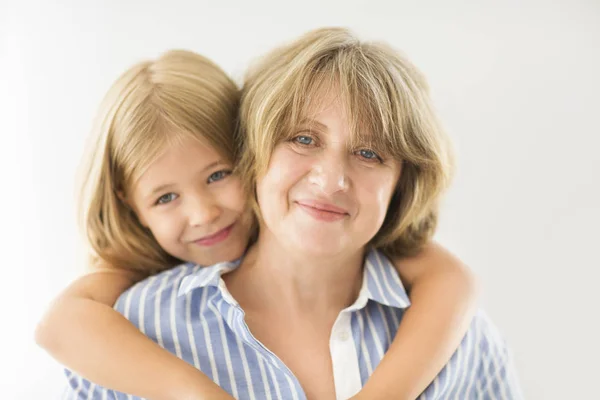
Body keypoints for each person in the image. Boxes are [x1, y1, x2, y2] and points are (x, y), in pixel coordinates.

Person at [40, 44, 482, 400]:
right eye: (165, 197)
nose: (203, 214)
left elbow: (453, 279)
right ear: (130, 204)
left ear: (248, 153)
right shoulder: (133, 304)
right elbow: (58, 325)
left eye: (218, 175)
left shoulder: (439, 315)